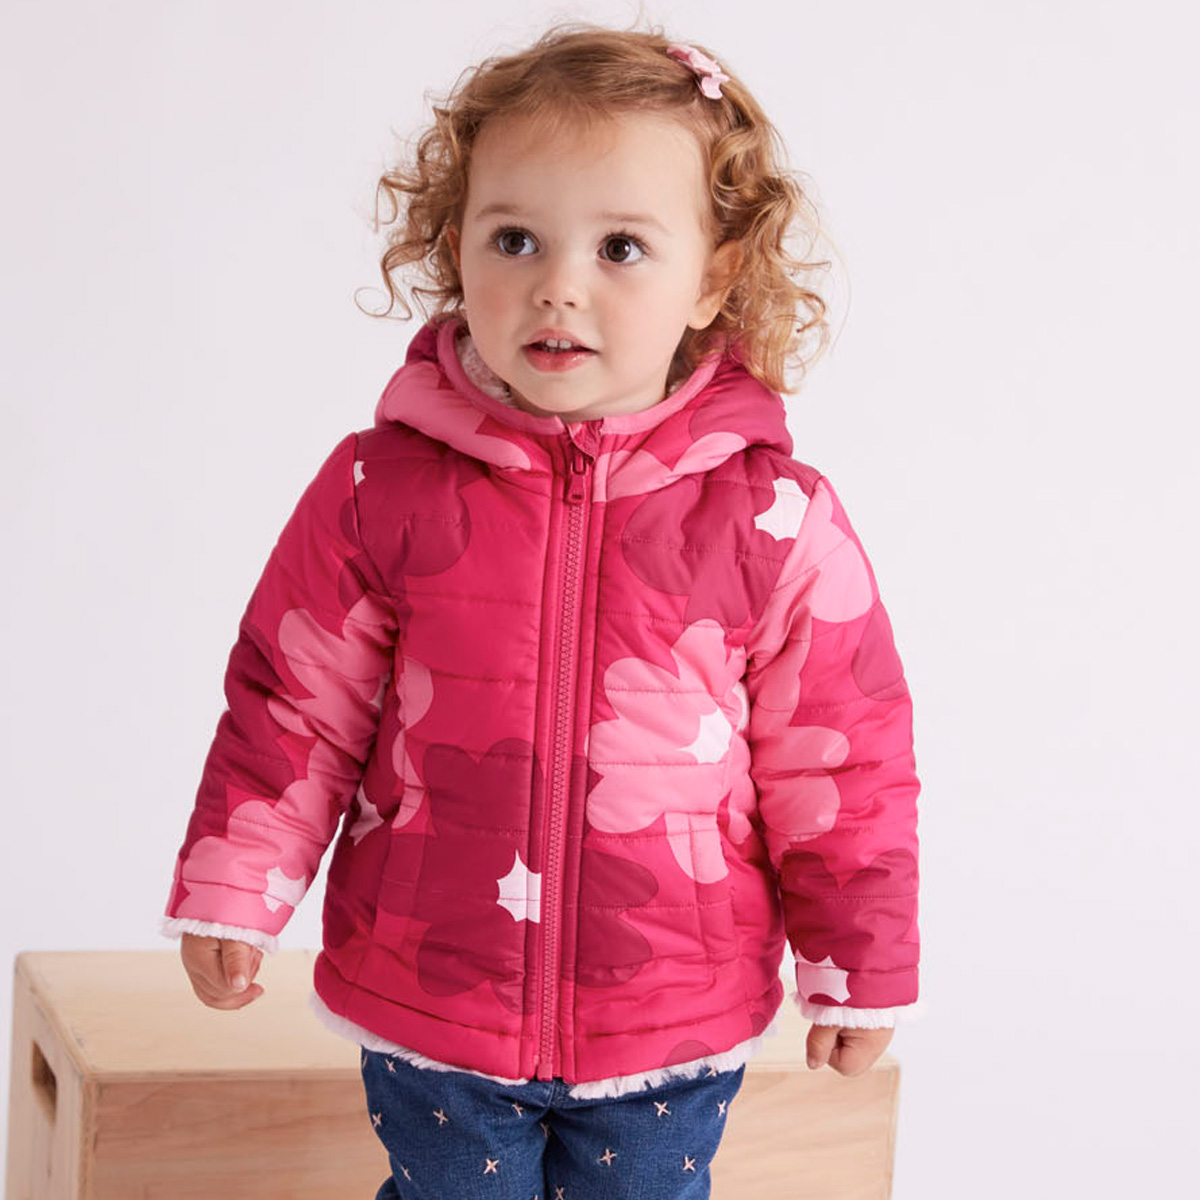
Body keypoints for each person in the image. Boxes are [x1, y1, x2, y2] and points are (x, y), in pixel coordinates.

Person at [162, 24, 920, 1200]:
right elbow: (290, 706)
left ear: (714, 277)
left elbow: (844, 758)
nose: (559, 283)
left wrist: (857, 964)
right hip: (432, 993)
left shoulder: (775, 519)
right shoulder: (378, 488)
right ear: (455, 247)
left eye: (621, 246)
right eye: (515, 238)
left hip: (668, 1010)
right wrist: (234, 886)